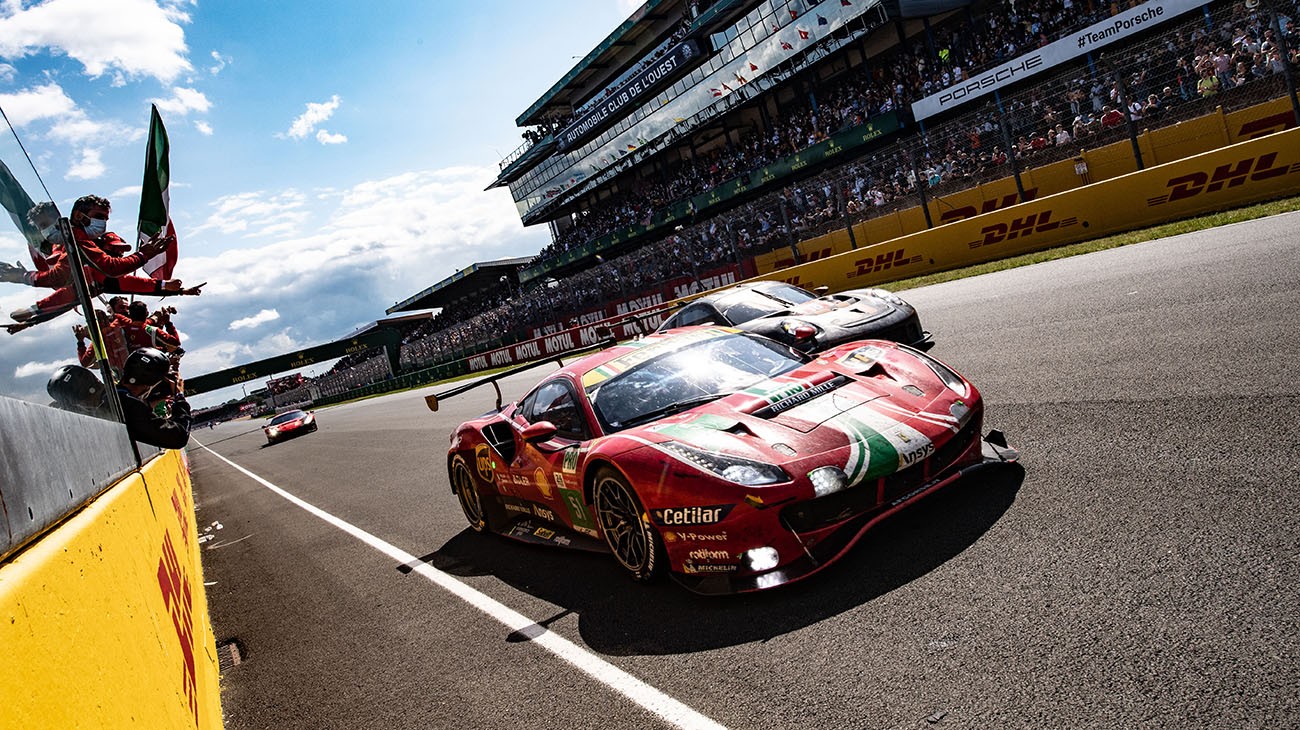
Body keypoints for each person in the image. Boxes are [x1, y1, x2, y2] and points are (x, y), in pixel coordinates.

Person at [116, 347, 191, 449]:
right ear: (151, 382)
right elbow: (179, 437)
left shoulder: (115, 396)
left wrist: (155, 400)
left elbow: (143, 418)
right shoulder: (130, 405)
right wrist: (180, 397)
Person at [46, 364, 112, 418]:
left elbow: (103, 416)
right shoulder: (111, 395)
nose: (82, 406)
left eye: (78, 402)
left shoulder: (113, 401)